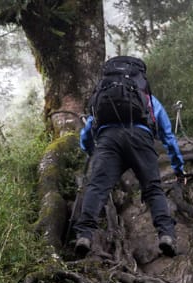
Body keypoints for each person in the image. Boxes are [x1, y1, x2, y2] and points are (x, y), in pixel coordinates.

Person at [73, 56, 186, 258]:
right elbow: (168, 135)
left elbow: (89, 129)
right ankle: (166, 235)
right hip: (140, 139)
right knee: (153, 189)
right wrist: (178, 167)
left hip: (108, 141)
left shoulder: (104, 95)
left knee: (97, 188)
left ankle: (84, 235)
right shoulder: (147, 98)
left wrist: (90, 151)